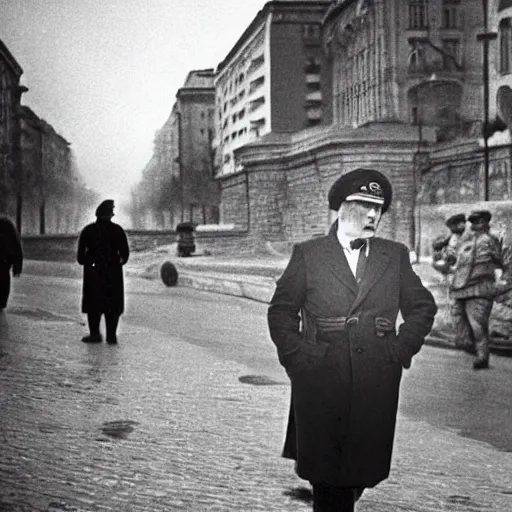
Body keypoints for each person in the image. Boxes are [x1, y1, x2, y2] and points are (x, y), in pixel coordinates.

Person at [267, 168, 437, 512]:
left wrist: (399, 350)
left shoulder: (394, 255)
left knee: (358, 472)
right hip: (321, 379)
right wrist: (298, 359)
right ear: (342, 208)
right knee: (328, 478)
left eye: (378, 208)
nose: (374, 214)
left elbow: (422, 306)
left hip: (375, 380)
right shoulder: (309, 254)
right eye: (364, 205)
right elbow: (281, 312)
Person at [449, 209, 506, 369]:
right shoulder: (464, 241)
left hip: (480, 286)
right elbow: (454, 260)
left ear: (486, 223)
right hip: (460, 288)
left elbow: (503, 261)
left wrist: (502, 281)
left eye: (480, 221)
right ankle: (472, 348)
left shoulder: (491, 240)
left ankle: (482, 356)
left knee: (478, 324)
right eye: (474, 222)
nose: (477, 224)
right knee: (460, 325)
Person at [77, 200, 129, 344]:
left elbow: (80, 258)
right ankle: (111, 335)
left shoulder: (88, 231)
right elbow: (125, 254)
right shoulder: (118, 231)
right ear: (110, 214)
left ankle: (95, 334)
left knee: (93, 305)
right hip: (113, 273)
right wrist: (117, 262)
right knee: (112, 305)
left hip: (93, 273)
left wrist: (89, 262)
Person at [0, 215, 23, 311]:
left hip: (3, 259)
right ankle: (1, 303)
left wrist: (17, 263)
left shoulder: (5, 223)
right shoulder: (6, 223)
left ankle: (1, 302)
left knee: (3, 279)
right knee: (3, 279)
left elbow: (15, 244)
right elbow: (16, 244)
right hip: (4, 259)